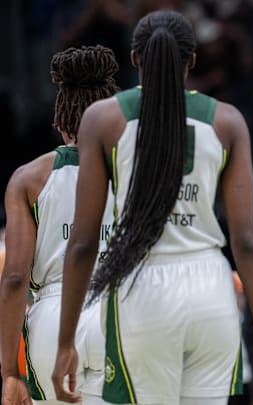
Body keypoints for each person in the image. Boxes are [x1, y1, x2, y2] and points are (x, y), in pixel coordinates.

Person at [50, 10, 253, 405]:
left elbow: (84, 243)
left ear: (135, 58)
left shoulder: (103, 119)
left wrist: (65, 342)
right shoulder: (227, 121)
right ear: (193, 60)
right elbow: (246, 242)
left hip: (141, 286)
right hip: (212, 289)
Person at [0, 45, 119, 405]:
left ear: (60, 120)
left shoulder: (27, 179)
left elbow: (15, 279)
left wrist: (9, 371)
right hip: (120, 312)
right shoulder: (137, 171)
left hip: (52, 315)